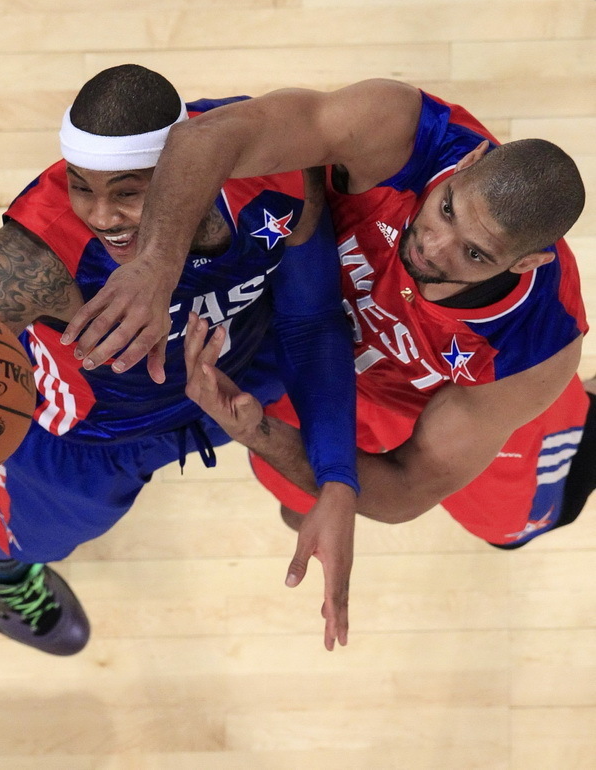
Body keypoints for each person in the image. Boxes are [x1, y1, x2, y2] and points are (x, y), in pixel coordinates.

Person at [0, 65, 361, 655]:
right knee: (38, 540)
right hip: (90, 434)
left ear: (187, 174)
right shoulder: (28, 262)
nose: (99, 216)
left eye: (127, 191)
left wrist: (336, 477)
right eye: (81, 186)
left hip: (236, 374)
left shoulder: (271, 173)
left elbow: (312, 322)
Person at [64, 78, 591, 555]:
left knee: (512, 529)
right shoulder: (403, 134)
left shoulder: (535, 349)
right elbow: (205, 136)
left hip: (438, 406)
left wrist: (257, 434)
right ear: (471, 162)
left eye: (474, 254)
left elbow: (405, 488)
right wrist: (156, 265)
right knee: (293, 504)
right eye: (446, 209)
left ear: (526, 264)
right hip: (319, 347)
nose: (433, 246)